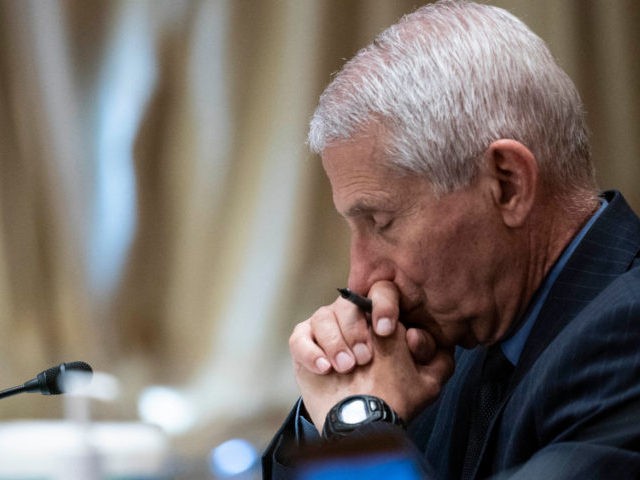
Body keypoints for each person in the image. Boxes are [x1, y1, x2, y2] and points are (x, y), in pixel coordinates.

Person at [263, 1, 640, 478]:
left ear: (507, 184)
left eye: (381, 222)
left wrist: (356, 425)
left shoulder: (627, 337)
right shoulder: (458, 324)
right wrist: (333, 400)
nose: (359, 278)